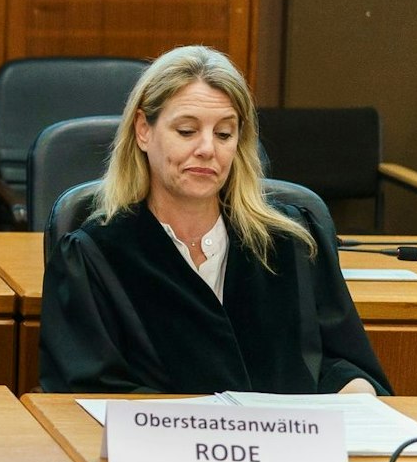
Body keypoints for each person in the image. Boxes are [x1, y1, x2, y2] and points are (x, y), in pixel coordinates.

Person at [39, 44, 391, 395]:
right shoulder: (95, 255)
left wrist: (355, 387)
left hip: (289, 445)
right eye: (187, 131)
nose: (208, 149)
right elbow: (85, 394)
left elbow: (344, 363)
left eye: (224, 133)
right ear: (143, 130)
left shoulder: (292, 243)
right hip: (161, 448)